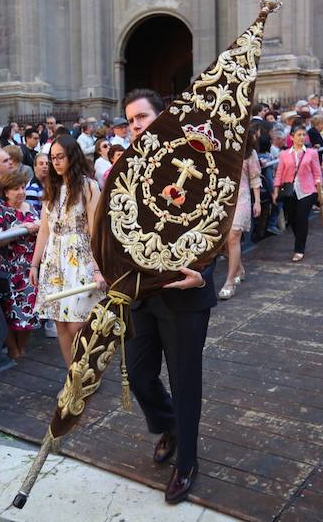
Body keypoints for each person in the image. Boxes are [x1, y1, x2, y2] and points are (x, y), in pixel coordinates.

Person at [117, 88, 215, 505]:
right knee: (138, 375)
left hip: (183, 294)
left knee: (185, 379)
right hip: (140, 294)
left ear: (162, 118)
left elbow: (215, 222)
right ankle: (171, 425)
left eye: (141, 118)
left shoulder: (195, 165)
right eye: (130, 120)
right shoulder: (126, 169)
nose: (135, 126)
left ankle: (187, 461)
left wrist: (204, 274)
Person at [29, 134, 105, 365]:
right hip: (54, 260)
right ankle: (73, 376)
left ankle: (88, 371)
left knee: (78, 323)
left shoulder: (88, 186)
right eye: (53, 158)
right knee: (60, 323)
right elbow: (44, 230)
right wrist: (34, 264)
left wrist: (98, 268)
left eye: (60, 157)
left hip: (80, 258)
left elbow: (95, 231)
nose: (56, 162)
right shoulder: (52, 187)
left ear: (72, 156)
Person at [0, 171, 41, 359]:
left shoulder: (31, 208)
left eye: (22, 188)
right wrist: (19, 228)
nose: (20, 192)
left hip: (30, 267)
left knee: (29, 309)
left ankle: (22, 346)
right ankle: (13, 348)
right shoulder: (0, 210)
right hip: (8, 268)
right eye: (15, 188)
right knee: (8, 309)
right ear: (6, 192)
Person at [217, 130, 261, 299]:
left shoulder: (250, 154)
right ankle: (239, 268)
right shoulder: (223, 149)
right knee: (223, 242)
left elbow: (255, 178)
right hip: (222, 199)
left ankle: (229, 282)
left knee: (233, 237)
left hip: (241, 198)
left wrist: (257, 202)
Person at [273, 125, 323, 261]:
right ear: (292, 137)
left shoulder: (311, 153)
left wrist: (320, 190)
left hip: (308, 190)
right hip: (289, 190)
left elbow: (317, 172)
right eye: (299, 135)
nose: (302, 137)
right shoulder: (284, 154)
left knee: (302, 218)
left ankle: (299, 248)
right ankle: (299, 238)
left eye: (303, 135)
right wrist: (276, 190)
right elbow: (279, 173)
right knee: (293, 219)